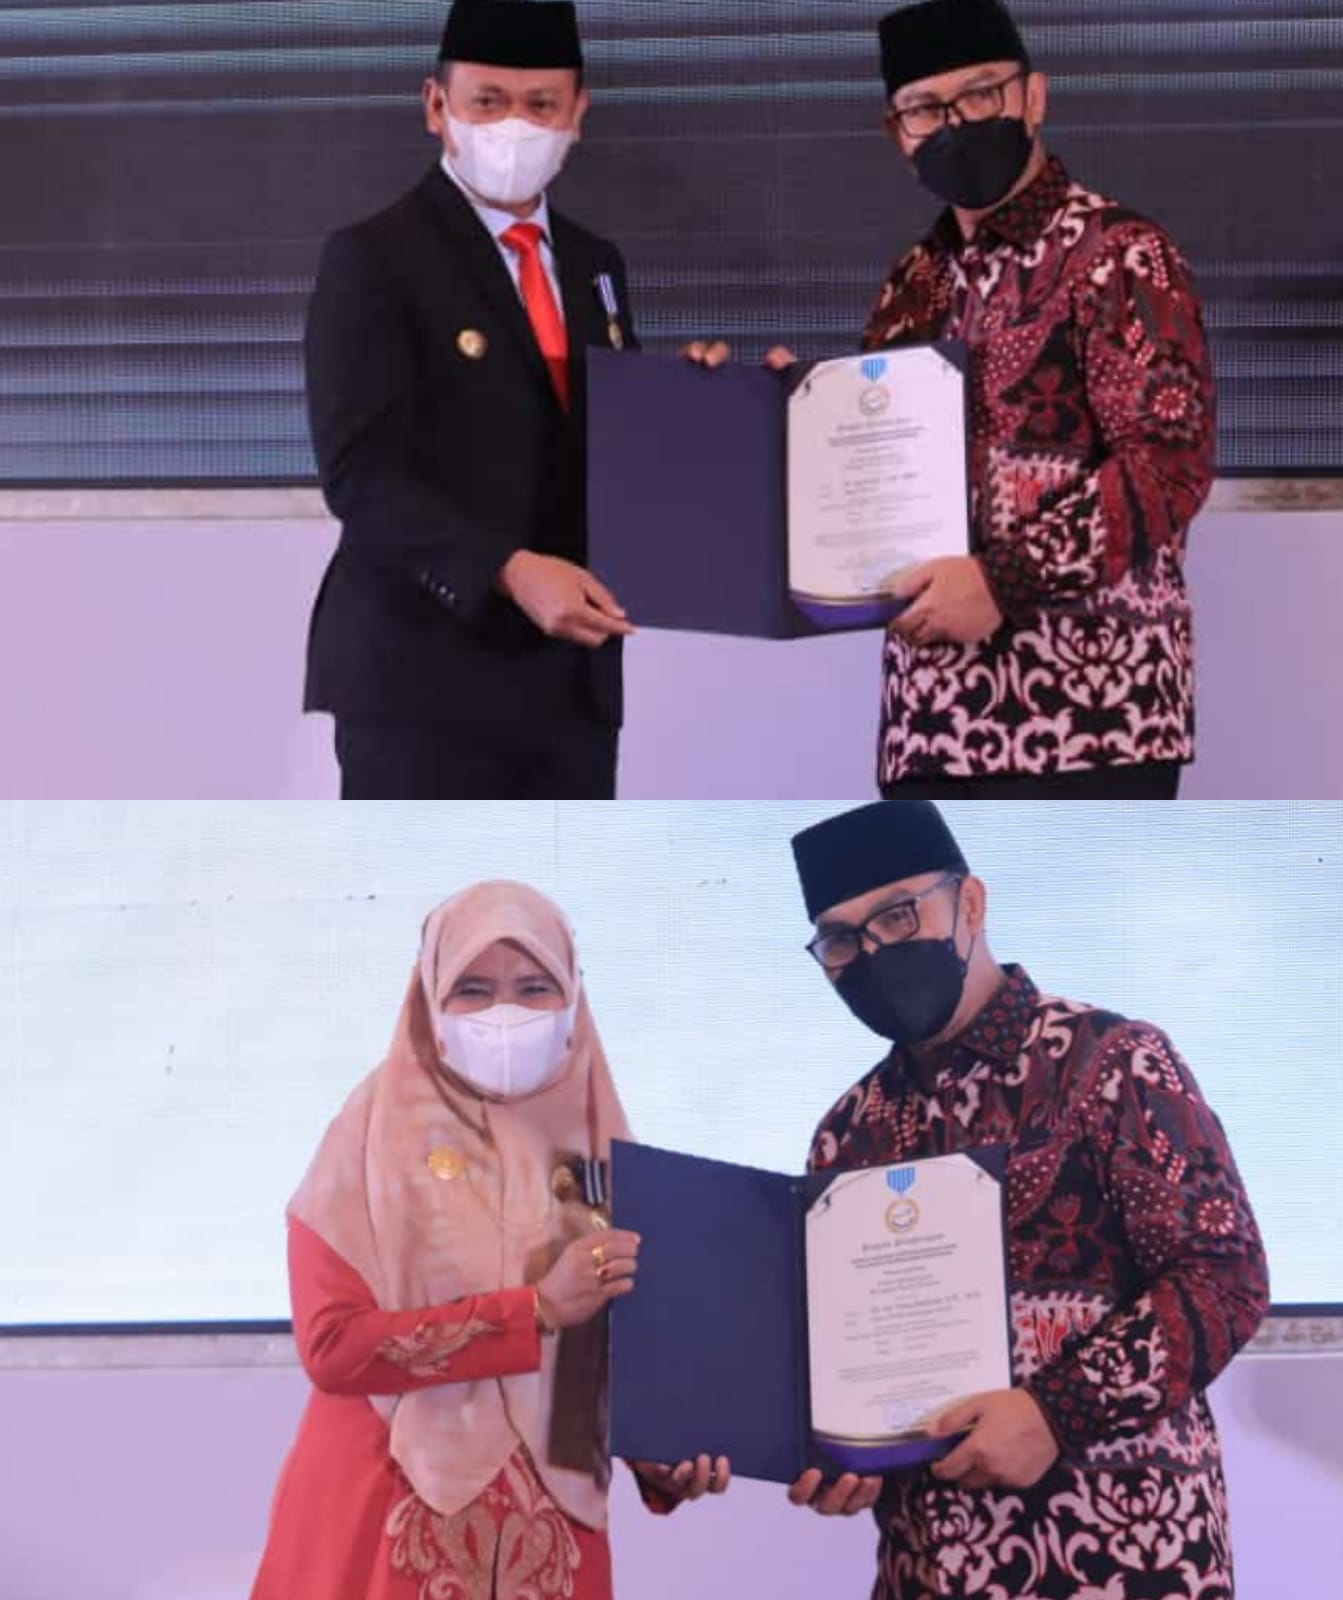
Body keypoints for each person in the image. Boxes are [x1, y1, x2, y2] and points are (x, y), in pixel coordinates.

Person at [691, 0, 1216, 799]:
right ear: (897, 134)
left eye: (980, 93)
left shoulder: (1121, 254)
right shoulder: (913, 282)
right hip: (933, 719)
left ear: (1033, 97)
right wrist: (784, 414)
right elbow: (874, 476)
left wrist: (1001, 581)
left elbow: (1167, 465)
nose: (956, 123)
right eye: (925, 109)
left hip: (1094, 718)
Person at [785, 802, 1268, 1599]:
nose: (872, 953)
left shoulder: (1111, 1062)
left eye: (898, 917)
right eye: (840, 940)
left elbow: (1223, 1278)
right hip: (929, 1568)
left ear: (970, 904)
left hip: (1125, 1561)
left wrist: (1054, 1412)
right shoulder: (848, 1132)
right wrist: (840, 1455)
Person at [251, 880, 728, 1600]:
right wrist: (533, 1310)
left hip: (553, 1530)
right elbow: (332, 1346)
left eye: (535, 988)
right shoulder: (368, 1140)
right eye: (472, 990)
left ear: (573, 1000)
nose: (506, 1012)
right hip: (384, 1518)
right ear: (430, 1000)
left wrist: (661, 1459)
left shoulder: (599, 1142)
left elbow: (617, 1362)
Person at [303, 0, 639, 800]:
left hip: (568, 685)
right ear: (436, 105)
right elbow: (361, 475)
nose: (514, 126)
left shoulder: (596, 263)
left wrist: (700, 399)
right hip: (424, 680)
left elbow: (607, 443)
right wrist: (508, 570)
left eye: (541, 105)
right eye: (488, 102)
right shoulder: (374, 257)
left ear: (578, 114)